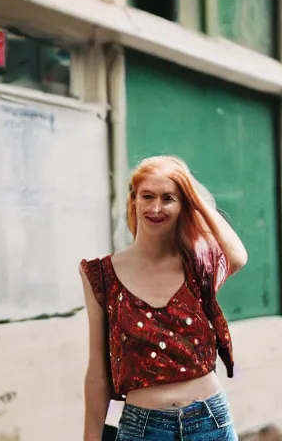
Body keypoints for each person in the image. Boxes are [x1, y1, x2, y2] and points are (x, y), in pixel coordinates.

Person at [79, 156, 248, 441]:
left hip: (210, 422)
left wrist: (194, 196)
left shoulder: (198, 265)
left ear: (184, 206)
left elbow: (237, 257)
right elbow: (97, 375)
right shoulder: (101, 275)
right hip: (144, 429)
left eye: (169, 198)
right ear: (134, 201)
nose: (156, 208)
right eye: (147, 196)